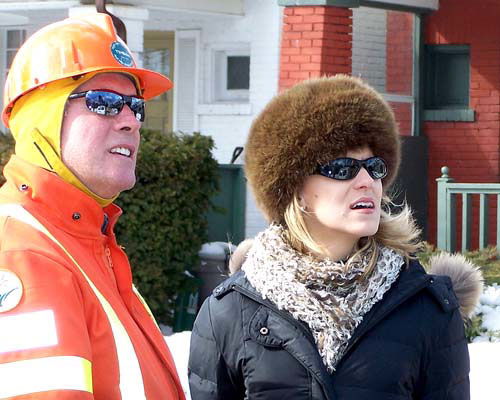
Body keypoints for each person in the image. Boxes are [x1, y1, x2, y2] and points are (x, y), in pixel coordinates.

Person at [188, 75, 483, 399]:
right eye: (342, 168)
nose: (366, 181)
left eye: (374, 166)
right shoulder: (231, 311)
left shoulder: (427, 308)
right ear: (296, 189)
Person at [0, 13, 185, 399]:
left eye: (136, 107)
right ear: (42, 116)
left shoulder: (86, 239)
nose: (130, 122)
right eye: (104, 102)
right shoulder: (24, 255)